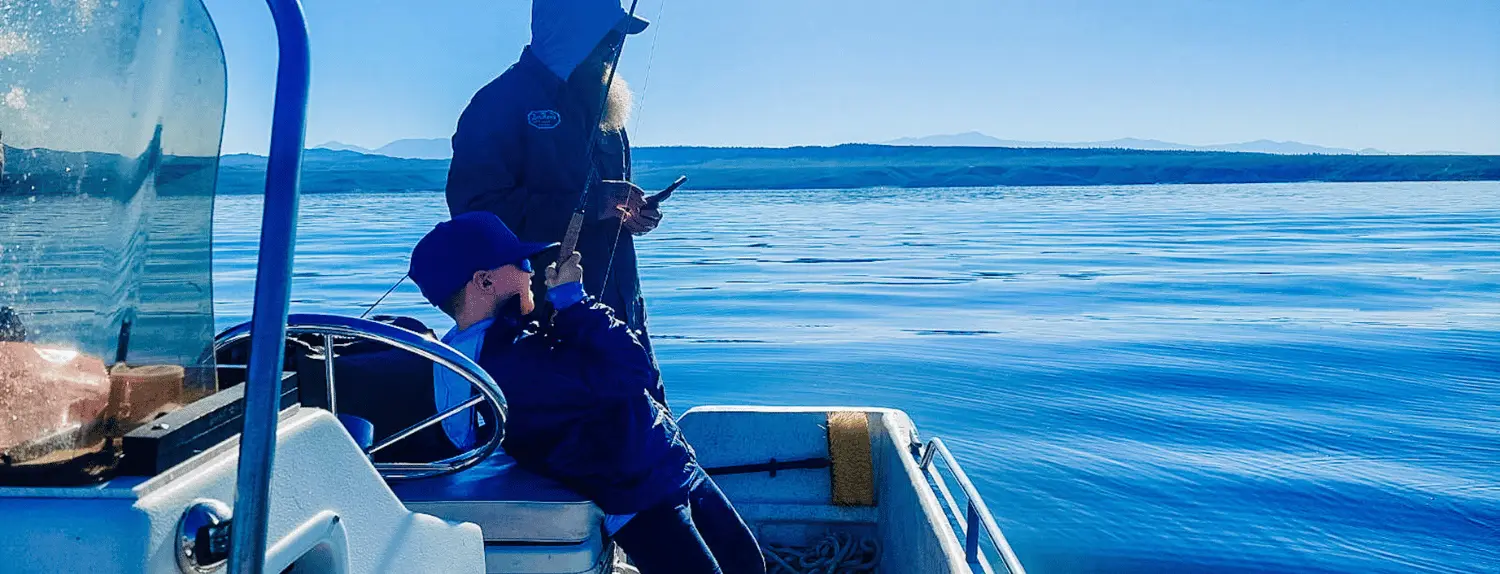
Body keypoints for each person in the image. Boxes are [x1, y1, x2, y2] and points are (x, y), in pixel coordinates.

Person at [408, 212, 765, 574]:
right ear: (484, 281)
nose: (533, 272)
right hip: (639, 494)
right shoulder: (508, 362)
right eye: (522, 262)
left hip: (664, 466)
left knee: (747, 562)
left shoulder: (483, 347)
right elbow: (631, 369)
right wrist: (574, 303)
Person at [445, 0, 663, 387]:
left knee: (646, 426)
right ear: (567, 29)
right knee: (573, 437)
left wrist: (633, 215)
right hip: (542, 327)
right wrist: (595, 203)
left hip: (621, 316)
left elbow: (608, 208)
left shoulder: (607, 107)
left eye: (618, 37)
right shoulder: (498, 104)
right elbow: (475, 213)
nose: (614, 46)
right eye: (607, 34)